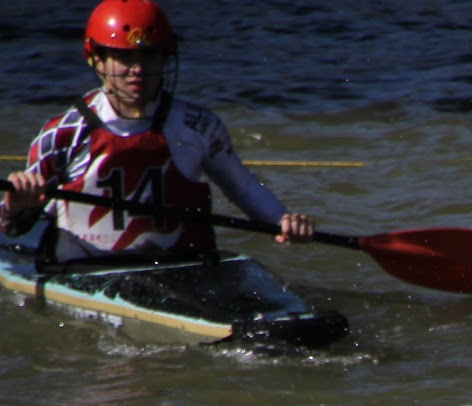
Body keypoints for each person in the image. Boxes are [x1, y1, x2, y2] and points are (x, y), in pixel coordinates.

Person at [3, 0, 314, 261]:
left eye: (149, 56)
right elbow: (13, 226)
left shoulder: (199, 126)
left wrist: (282, 221)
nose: (137, 69)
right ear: (96, 59)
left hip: (183, 268)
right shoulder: (64, 133)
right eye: (124, 57)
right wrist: (17, 206)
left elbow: (243, 187)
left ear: (166, 58)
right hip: (86, 272)